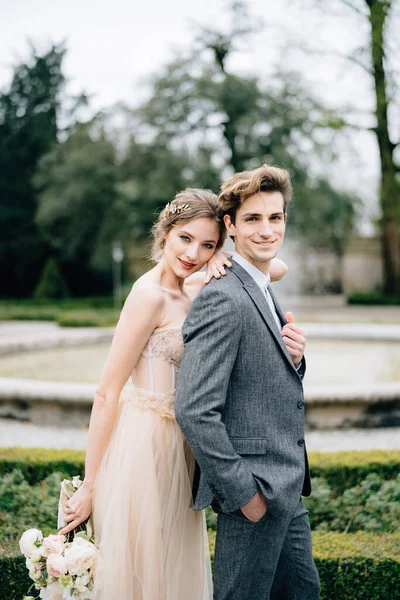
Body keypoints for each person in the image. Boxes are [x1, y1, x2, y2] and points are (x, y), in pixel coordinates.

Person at [58, 187, 287, 600]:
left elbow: (279, 267)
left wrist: (222, 256)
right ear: (165, 231)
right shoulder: (149, 295)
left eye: (207, 244)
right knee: (145, 568)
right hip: (145, 445)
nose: (192, 253)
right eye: (185, 238)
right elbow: (107, 391)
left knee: (176, 568)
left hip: (187, 444)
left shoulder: (199, 282)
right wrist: (90, 484)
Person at [175, 165, 321, 600]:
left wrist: (295, 359)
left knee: (304, 593)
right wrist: (245, 496)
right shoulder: (224, 295)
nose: (266, 230)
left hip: (288, 489)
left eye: (274, 218)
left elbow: (260, 377)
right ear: (230, 225)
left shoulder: (260, 285)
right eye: (252, 219)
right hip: (255, 494)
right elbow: (194, 409)